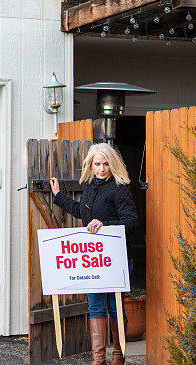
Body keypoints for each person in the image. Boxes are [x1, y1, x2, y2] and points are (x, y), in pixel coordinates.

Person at [50, 143, 138, 365]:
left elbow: (131, 222)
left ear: (113, 164)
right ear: (91, 164)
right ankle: (98, 360)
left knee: (114, 307)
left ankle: (118, 356)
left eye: (106, 164)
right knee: (95, 306)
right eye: (97, 164)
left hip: (115, 259)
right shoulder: (90, 186)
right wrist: (58, 196)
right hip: (94, 261)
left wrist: (104, 224)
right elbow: (82, 212)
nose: (101, 169)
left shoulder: (120, 188)